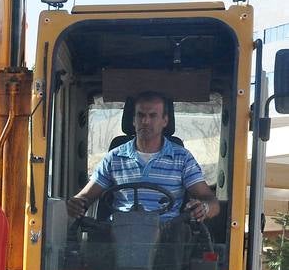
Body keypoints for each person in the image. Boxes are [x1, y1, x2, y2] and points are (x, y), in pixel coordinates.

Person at [66, 91, 219, 224]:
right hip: (118, 235)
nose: (145, 121)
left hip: (168, 239)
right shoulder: (114, 158)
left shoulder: (182, 159)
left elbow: (210, 201)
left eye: (153, 116)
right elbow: (85, 196)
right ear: (133, 120)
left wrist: (204, 208)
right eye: (141, 115)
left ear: (165, 121)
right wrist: (77, 204)